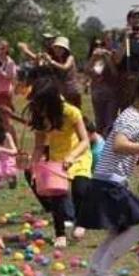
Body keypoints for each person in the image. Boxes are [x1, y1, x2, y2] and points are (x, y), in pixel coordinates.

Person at [76, 67, 139, 276]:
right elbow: (118, 144)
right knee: (138, 227)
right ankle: (102, 271)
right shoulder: (130, 116)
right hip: (109, 183)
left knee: (118, 232)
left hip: (112, 183)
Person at [28, 77, 92, 248]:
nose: (38, 109)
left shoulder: (71, 112)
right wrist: (34, 166)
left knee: (80, 189)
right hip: (57, 159)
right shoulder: (41, 118)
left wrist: (71, 157)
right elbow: (39, 147)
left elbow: (84, 141)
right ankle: (60, 233)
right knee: (56, 196)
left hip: (78, 155)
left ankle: (82, 221)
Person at [86, 37, 119, 135]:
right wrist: (93, 58)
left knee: (110, 121)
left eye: (102, 45)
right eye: (96, 45)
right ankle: (100, 144)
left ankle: (110, 143)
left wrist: (107, 58)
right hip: (97, 93)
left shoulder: (110, 57)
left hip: (110, 93)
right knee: (99, 121)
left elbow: (115, 73)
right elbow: (87, 71)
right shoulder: (92, 60)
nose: (99, 48)